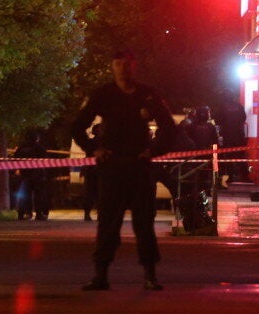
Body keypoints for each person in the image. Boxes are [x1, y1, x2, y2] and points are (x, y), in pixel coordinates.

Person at [72, 50, 176, 291]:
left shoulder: (148, 94)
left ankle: (150, 275)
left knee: (144, 223)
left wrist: (154, 150)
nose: (122, 69)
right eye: (118, 64)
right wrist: (93, 149)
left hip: (139, 166)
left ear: (134, 66)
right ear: (112, 67)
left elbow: (169, 127)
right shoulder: (104, 94)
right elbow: (77, 126)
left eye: (127, 64)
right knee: (107, 222)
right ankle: (101, 274)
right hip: (112, 166)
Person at [213, 88, 248, 184]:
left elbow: (218, 120)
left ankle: (231, 177)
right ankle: (245, 176)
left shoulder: (222, 107)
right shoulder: (238, 106)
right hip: (239, 135)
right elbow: (243, 117)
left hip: (228, 136)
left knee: (228, 157)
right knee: (241, 156)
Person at [14, 129, 49, 220]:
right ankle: (38, 214)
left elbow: (15, 159)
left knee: (24, 194)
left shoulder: (20, 148)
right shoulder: (39, 147)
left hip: (24, 174)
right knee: (38, 195)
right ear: (36, 138)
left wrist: (18, 170)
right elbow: (44, 159)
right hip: (38, 174)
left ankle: (23, 213)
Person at [80, 123, 103, 221]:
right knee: (93, 193)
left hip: (95, 171)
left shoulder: (92, 142)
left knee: (94, 193)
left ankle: (91, 213)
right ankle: (89, 213)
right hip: (94, 171)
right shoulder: (98, 143)